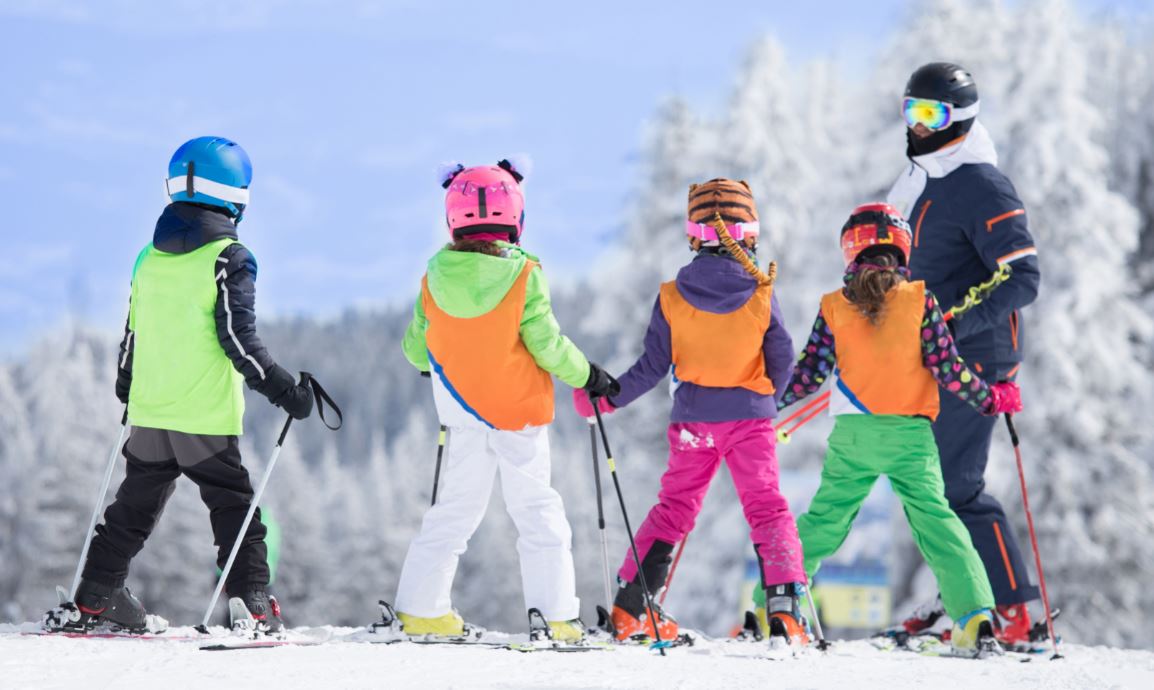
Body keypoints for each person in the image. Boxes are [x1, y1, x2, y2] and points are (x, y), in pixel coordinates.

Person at [46, 136, 314, 634]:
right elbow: (238, 338)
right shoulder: (228, 257)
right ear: (235, 196)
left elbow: (133, 331)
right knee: (235, 507)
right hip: (202, 415)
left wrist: (128, 387)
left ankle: (95, 599)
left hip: (150, 410)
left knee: (132, 509)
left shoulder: (149, 257)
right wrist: (286, 391)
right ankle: (253, 605)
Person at [778, 202, 1023, 655]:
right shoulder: (920, 302)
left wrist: (764, 400)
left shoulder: (835, 306)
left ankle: (773, 605)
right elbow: (949, 369)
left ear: (850, 251)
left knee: (826, 520)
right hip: (910, 437)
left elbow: (809, 373)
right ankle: (974, 618)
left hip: (854, 436)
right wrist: (991, 398)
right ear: (902, 248)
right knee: (939, 525)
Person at [573, 178, 809, 646]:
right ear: (749, 233)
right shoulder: (762, 294)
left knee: (674, 509)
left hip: (693, 424)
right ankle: (784, 611)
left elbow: (651, 367)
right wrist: (766, 403)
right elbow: (782, 359)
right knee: (766, 509)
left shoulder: (672, 295)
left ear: (693, 233)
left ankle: (631, 608)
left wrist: (607, 398)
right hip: (750, 421)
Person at [396, 160, 616, 643]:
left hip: (461, 413)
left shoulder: (433, 278)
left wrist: (434, 356)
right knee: (537, 510)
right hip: (517, 415)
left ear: (453, 218)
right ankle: (556, 617)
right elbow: (547, 344)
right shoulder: (523, 276)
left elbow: (416, 346)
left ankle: (420, 608)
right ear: (515, 217)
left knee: (454, 508)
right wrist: (589, 375)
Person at [886, 63, 1042, 647]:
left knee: (957, 488)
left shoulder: (979, 183)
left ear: (962, 119)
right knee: (927, 485)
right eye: (912, 112)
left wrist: (952, 324)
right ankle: (960, 595)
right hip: (929, 352)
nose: (920, 126)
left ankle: (1008, 610)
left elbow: (1022, 277)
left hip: (973, 354)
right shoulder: (923, 179)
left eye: (934, 115)